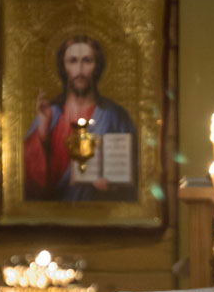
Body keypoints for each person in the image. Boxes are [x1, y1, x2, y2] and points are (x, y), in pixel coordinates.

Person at [23, 34, 136, 202]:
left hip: (99, 210)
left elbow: (136, 172)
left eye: (87, 61)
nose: (80, 70)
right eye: (73, 61)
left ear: (97, 66)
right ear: (63, 67)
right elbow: (28, 180)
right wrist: (43, 133)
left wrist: (114, 185)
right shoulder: (50, 114)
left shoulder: (116, 115)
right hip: (53, 211)